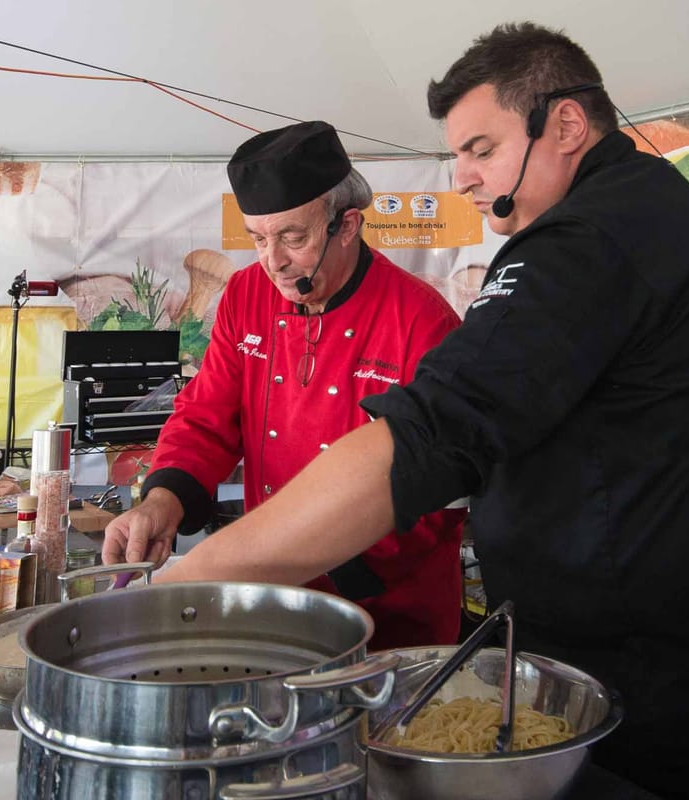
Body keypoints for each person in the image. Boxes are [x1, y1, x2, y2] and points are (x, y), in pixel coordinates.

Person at [108, 23, 689, 800]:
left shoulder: (590, 239)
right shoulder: (634, 212)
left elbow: (435, 440)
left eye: (481, 149)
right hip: (623, 642)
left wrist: (201, 577)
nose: (460, 178)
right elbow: (209, 409)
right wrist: (171, 495)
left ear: (565, 125)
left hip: (653, 675)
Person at [103, 120, 466, 649]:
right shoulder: (245, 295)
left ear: (347, 225)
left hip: (389, 614)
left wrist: (307, 568)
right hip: (272, 607)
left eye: (293, 238)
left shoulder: (419, 319)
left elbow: (438, 489)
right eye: (259, 238)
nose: (272, 261)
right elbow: (206, 417)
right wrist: (163, 500)